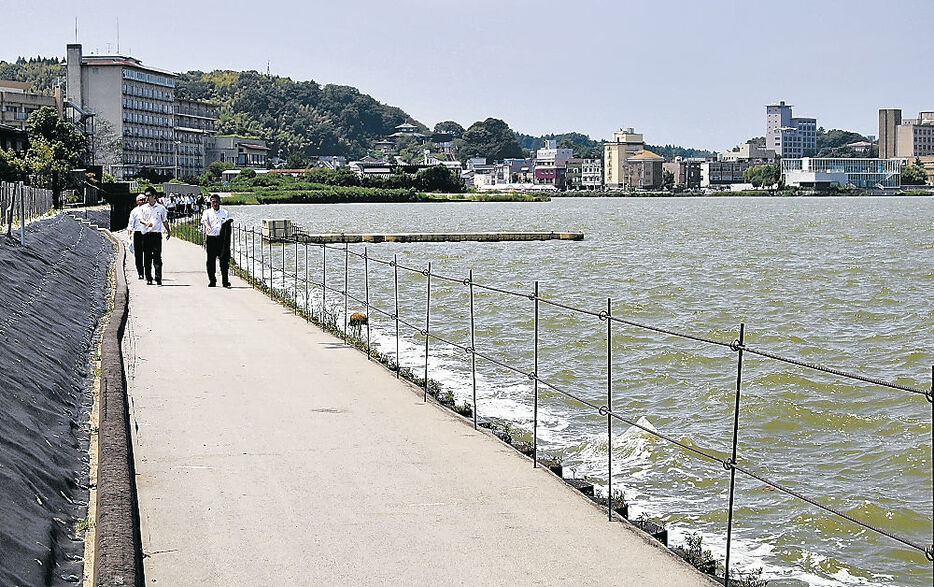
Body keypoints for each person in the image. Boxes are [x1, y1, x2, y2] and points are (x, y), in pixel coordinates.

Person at [201, 194, 232, 287]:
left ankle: (225, 281)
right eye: (213, 202)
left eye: (216, 202)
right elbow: (205, 221)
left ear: (219, 202)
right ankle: (212, 281)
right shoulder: (207, 212)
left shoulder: (225, 212)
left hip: (221, 239)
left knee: (224, 260)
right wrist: (207, 226)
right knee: (210, 261)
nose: (214, 203)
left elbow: (226, 224)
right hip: (211, 238)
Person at [142, 186, 171, 285]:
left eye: (149, 196)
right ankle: (148, 277)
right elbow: (140, 219)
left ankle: (158, 277)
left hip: (156, 235)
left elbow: (164, 220)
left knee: (157, 256)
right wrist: (145, 223)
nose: (147, 198)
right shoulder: (143, 208)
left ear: (154, 196)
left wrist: (168, 231)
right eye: (146, 196)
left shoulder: (161, 208)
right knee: (147, 257)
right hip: (146, 234)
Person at [127, 194, 147, 279]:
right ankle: (140, 272)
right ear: (137, 201)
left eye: (144, 199)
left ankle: (147, 272)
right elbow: (131, 224)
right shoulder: (134, 211)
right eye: (141, 200)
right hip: (138, 233)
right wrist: (129, 237)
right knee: (138, 254)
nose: (143, 201)